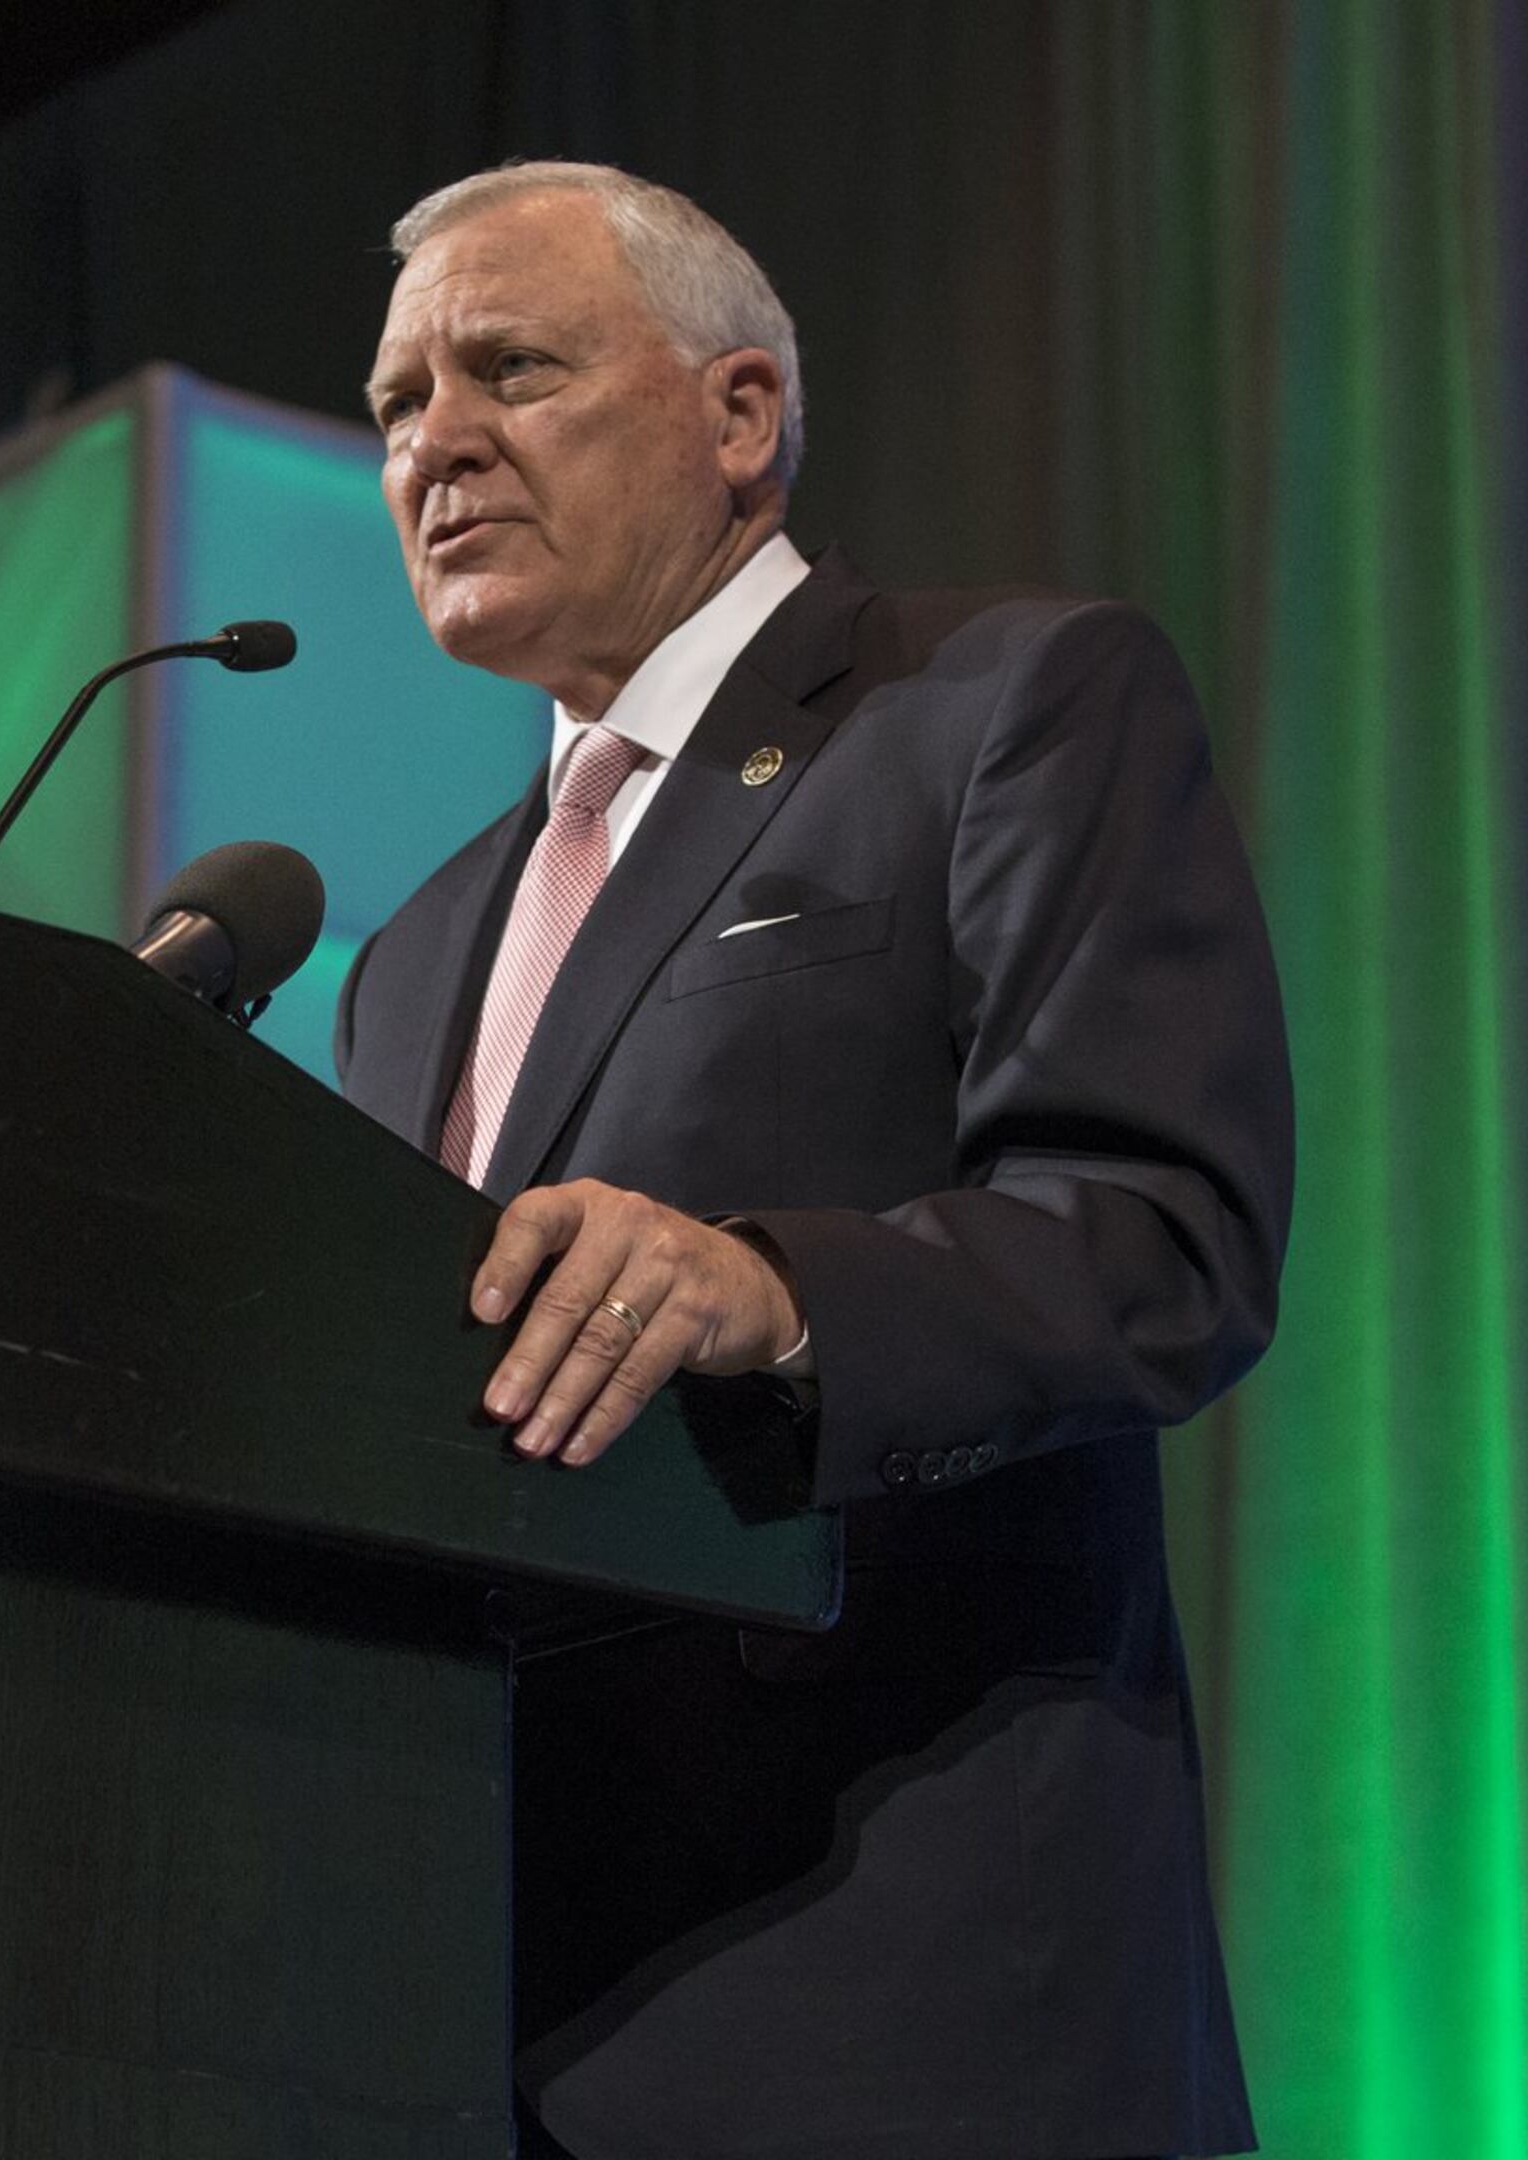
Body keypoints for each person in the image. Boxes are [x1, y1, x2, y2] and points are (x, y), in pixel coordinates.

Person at [334, 161, 1292, 2160]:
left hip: (897, 1998)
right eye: (400, 401)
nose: (440, 441)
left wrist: (773, 1292)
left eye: (510, 366)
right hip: (479, 2019)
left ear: (738, 414)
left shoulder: (1000, 707)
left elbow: (1159, 1239)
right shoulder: (416, 946)